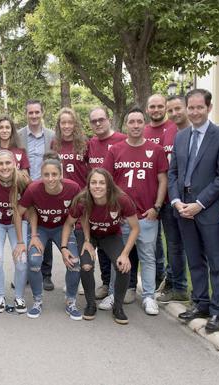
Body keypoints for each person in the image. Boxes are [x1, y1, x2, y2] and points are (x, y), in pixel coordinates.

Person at [169, 89, 219, 333]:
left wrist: (200, 203)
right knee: (194, 260)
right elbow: (173, 172)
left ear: (208, 108)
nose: (195, 112)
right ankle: (201, 303)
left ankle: (218, 310)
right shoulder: (181, 137)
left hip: (208, 210)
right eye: (191, 108)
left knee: (217, 261)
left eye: (199, 108)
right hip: (183, 209)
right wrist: (176, 201)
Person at [104, 107, 168, 316]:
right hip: (122, 217)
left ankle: (149, 296)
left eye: (140, 121)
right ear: (126, 125)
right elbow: (108, 182)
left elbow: (162, 180)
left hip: (146, 215)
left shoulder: (156, 150)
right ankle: (114, 293)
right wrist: (114, 209)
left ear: (145, 123)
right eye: (132, 122)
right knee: (118, 257)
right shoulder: (115, 150)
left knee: (148, 257)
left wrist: (156, 207)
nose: (136, 125)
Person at [62, 168, 139, 324]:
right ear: (88, 185)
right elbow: (69, 223)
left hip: (110, 235)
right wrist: (64, 248)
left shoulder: (121, 199)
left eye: (102, 183)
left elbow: (135, 228)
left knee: (123, 266)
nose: (97, 186)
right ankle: (91, 304)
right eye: (94, 182)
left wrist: (125, 254)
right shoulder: (82, 199)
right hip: (86, 235)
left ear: (109, 185)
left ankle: (118, 307)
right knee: (86, 266)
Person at [17, 152, 82, 319]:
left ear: (61, 174)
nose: (51, 178)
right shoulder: (33, 189)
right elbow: (18, 213)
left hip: (63, 228)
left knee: (74, 262)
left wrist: (70, 245)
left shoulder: (73, 188)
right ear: (41, 175)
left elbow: (81, 215)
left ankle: (71, 301)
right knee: (34, 261)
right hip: (41, 229)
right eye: (46, 174)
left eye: (54, 174)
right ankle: (37, 300)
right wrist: (28, 237)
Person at [86, 107, 128, 301]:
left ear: (109, 119)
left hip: (117, 202)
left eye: (101, 119)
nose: (98, 123)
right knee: (101, 248)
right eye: (94, 121)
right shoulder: (90, 144)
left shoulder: (121, 140)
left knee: (118, 246)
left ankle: (125, 288)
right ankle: (105, 284)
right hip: (96, 202)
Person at [0, 150, 30, 313]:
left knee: (22, 260)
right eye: (0, 164)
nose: (4, 167)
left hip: (18, 223)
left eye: (8, 163)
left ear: (15, 164)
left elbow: (30, 208)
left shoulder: (23, 180)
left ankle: (19, 296)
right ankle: (0, 296)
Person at [17, 100, 56, 292]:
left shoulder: (51, 136)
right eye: (30, 113)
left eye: (36, 112)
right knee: (26, 231)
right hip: (24, 189)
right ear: (26, 114)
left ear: (42, 113)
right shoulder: (18, 135)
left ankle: (46, 274)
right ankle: (25, 272)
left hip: (45, 189)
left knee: (45, 229)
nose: (33, 116)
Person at [156, 95, 191, 304]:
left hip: (192, 200)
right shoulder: (169, 132)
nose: (175, 113)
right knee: (173, 245)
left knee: (190, 246)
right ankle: (176, 286)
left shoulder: (195, 132)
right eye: (171, 110)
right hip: (171, 199)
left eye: (178, 108)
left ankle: (186, 289)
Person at [144, 94, 177, 289]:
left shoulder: (175, 128)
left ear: (165, 107)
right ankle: (157, 280)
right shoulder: (144, 131)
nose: (156, 110)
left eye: (159, 106)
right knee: (153, 244)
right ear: (147, 109)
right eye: (152, 107)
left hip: (172, 197)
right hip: (151, 198)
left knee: (173, 244)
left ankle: (173, 282)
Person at [51, 107, 89, 188]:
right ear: (59, 125)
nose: (66, 126)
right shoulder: (54, 143)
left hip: (81, 190)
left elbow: (90, 168)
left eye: (70, 123)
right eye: (63, 123)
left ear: (75, 124)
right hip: (62, 190)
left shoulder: (84, 143)